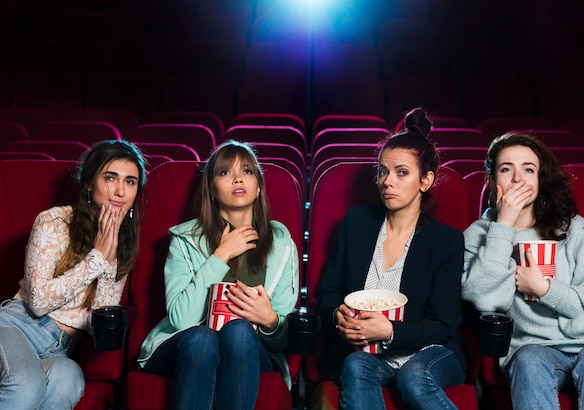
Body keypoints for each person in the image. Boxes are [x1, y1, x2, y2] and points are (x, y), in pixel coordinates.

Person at [316, 107, 467, 410]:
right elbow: (328, 294)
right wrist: (338, 316)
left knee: (414, 374)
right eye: (383, 172)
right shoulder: (356, 223)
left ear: (425, 181)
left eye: (402, 173)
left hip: (431, 351)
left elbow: (444, 324)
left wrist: (390, 332)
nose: (388, 182)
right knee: (356, 365)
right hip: (367, 354)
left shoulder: (446, 240)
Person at [462, 132, 584, 409]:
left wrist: (546, 290)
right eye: (506, 169)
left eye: (528, 169)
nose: (517, 179)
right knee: (528, 357)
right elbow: (484, 300)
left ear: (540, 180)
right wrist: (503, 228)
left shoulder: (572, 228)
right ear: (492, 181)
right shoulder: (478, 235)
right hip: (537, 351)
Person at [138, 140, 299, 410]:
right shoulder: (185, 239)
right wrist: (220, 256)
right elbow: (181, 319)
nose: (237, 178)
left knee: (237, 331)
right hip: (186, 344)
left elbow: (282, 339)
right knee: (203, 338)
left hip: (249, 348)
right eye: (225, 172)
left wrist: (270, 321)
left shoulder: (281, 244)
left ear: (258, 186)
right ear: (211, 189)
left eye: (247, 171)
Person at [0, 140, 147, 410]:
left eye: (130, 182)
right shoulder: (54, 221)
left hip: (61, 348)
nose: (120, 191)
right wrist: (97, 259)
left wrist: (109, 262)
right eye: (110, 177)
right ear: (90, 184)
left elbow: (96, 326)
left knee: (70, 379)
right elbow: (39, 302)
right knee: (26, 383)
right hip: (15, 327)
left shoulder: (122, 245)